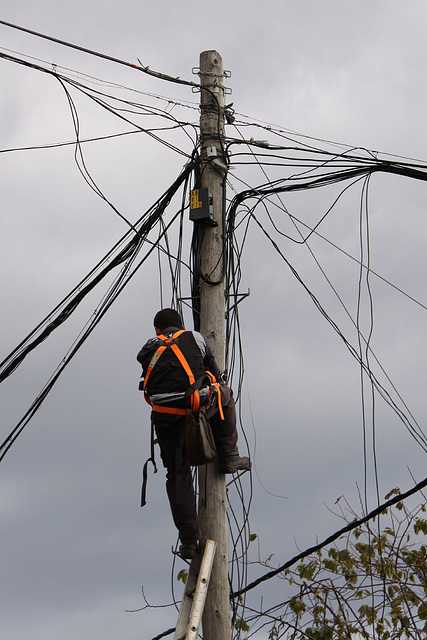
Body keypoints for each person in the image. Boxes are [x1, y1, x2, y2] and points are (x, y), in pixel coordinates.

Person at [137, 308, 250, 559]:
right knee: (225, 394)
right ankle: (229, 455)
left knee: (177, 475)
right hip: (196, 407)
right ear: (180, 326)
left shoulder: (148, 347)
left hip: (165, 416)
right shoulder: (196, 338)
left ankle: (189, 541)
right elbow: (214, 370)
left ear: (157, 330)